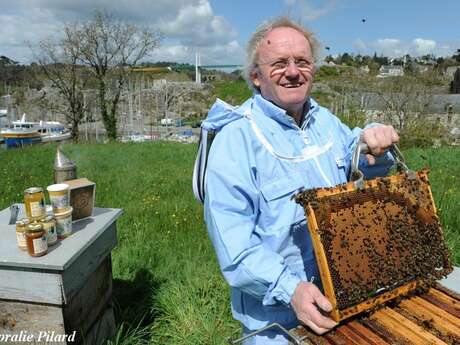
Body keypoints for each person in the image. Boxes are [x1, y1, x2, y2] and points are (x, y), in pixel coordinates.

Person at [201, 17, 399, 344]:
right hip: (278, 322)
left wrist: (375, 143)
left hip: (345, 298)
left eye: (302, 62)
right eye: (279, 63)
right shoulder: (235, 140)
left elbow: (362, 164)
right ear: (255, 76)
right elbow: (234, 247)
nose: (293, 72)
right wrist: (289, 288)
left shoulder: (325, 122)